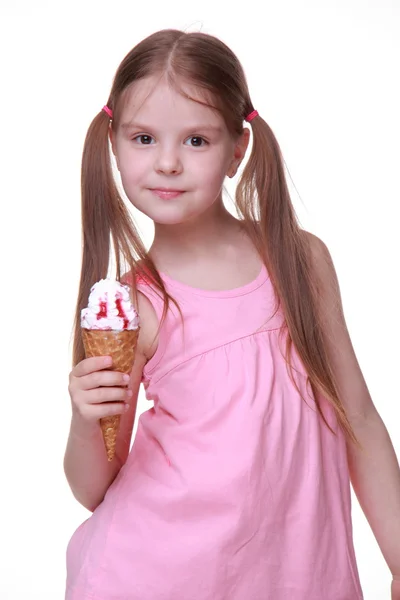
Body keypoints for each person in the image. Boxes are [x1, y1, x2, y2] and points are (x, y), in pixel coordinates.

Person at [64, 28, 400, 600]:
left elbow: (360, 420)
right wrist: (84, 416)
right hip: (152, 577)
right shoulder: (131, 304)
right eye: (144, 138)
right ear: (114, 145)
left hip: (294, 579)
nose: (167, 162)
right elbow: (92, 487)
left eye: (196, 140)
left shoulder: (299, 260)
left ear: (237, 150)